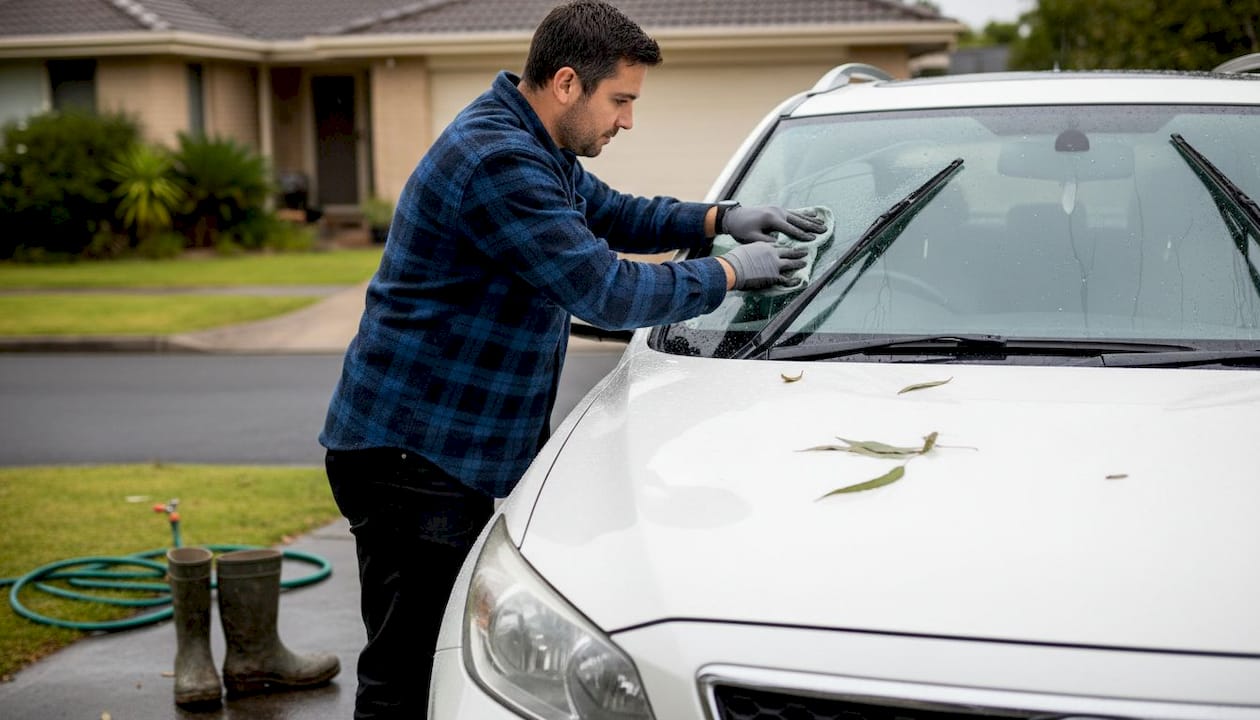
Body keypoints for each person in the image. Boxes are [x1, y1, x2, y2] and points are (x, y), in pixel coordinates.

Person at [319, 1, 824, 717]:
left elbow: (610, 211)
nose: (626, 119)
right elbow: (605, 288)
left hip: (438, 450)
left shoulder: (535, 142)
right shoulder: (499, 160)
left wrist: (717, 218)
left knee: (434, 659)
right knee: (406, 674)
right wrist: (732, 272)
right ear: (565, 83)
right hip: (413, 455)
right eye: (620, 100)